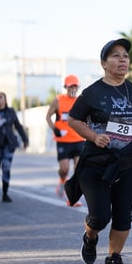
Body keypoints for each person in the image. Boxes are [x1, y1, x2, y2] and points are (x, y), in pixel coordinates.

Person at [68, 38, 132, 264]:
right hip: (96, 164)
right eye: (115, 55)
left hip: (126, 163)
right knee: (100, 216)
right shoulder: (92, 93)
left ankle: (114, 256)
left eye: (125, 55)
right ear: (104, 63)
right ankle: (90, 236)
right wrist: (94, 136)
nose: (122, 59)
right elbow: (73, 120)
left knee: (124, 215)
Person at [46, 75, 85, 206]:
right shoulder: (58, 100)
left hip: (79, 139)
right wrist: (54, 128)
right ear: (66, 87)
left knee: (78, 169)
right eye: (70, 86)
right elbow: (48, 117)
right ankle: (62, 180)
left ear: (78, 87)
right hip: (63, 140)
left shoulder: (81, 101)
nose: (73, 89)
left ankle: (72, 198)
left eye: (75, 86)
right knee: (64, 169)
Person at [0, 92, 29, 202]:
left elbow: (18, 125)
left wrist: (25, 139)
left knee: (6, 168)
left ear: (5, 100)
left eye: (0, 97)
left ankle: (5, 193)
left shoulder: (10, 112)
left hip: (8, 144)